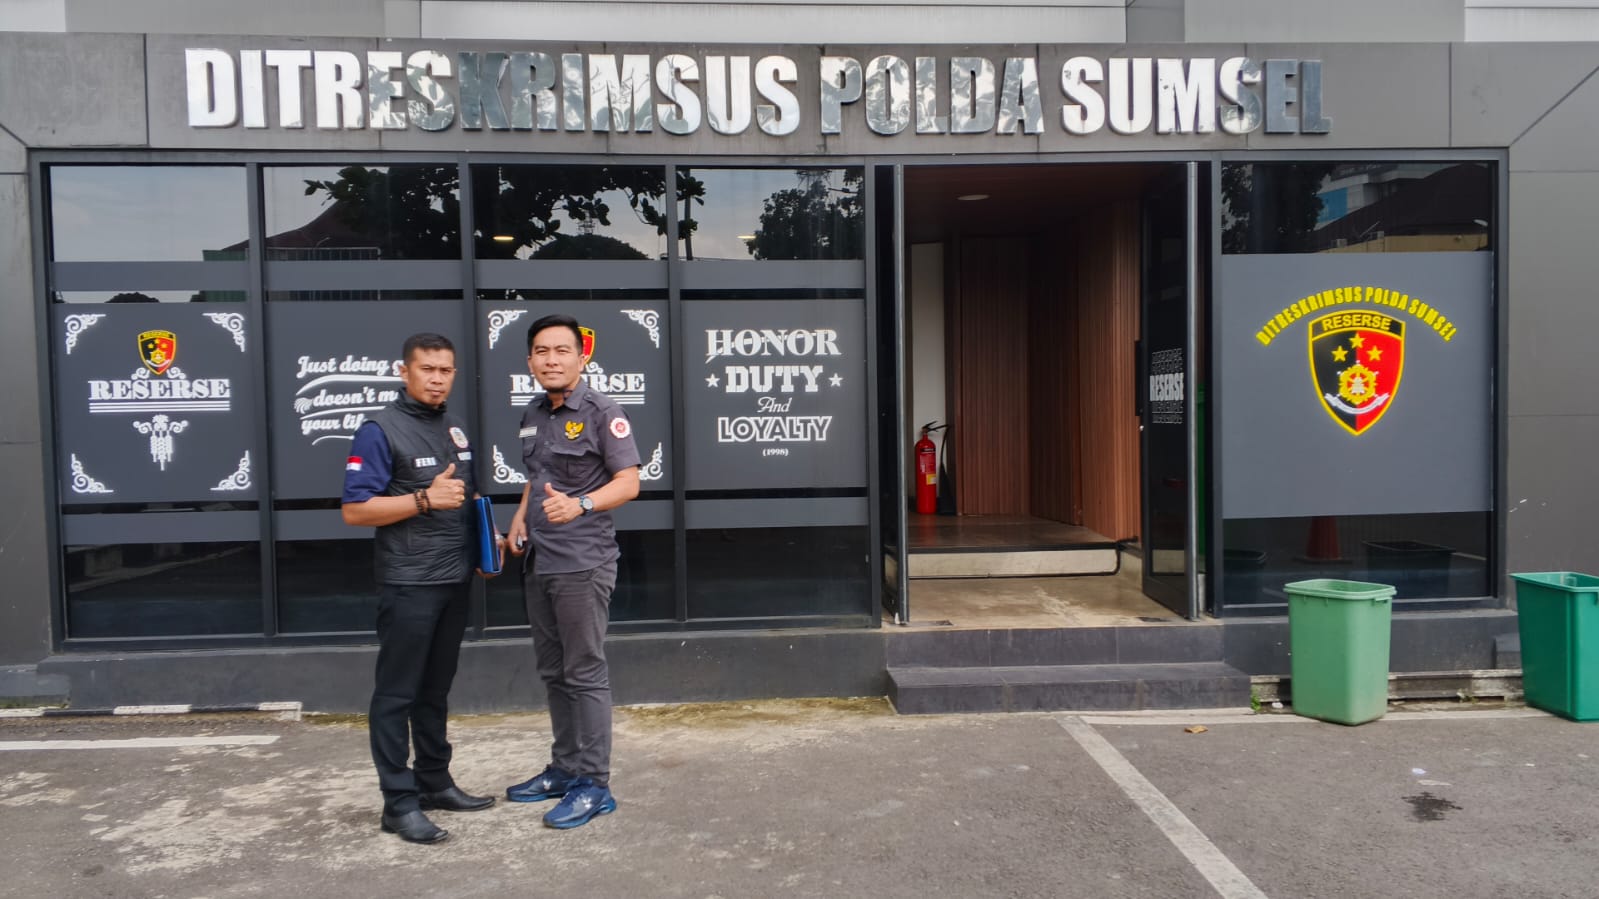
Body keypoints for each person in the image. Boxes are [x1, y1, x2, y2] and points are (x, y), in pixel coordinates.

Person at [341, 332, 499, 845]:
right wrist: (423, 500)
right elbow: (355, 510)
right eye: (427, 369)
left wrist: (485, 544)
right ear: (404, 371)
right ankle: (398, 802)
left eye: (445, 370)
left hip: (454, 579)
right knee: (396, 695)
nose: (436, 379)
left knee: (435, 690)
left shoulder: (454, 426)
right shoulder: (378, 430)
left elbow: (465, 497)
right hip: (409, 583)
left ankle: (434, 782)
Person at [505, 314, 641, 830]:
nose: (552, 360)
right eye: (542, 351)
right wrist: (521, 517)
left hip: (583, 563)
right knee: (553, 671)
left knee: (584, 672)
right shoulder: (532, 412)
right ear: (530, 361)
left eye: (562, 350)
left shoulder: (603, 412)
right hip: (540, 559)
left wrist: (581, 504)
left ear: (581, 358)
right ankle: (565, 769)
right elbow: (536, 477)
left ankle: (594, 785)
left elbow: (629, 482)